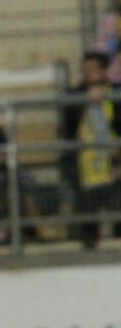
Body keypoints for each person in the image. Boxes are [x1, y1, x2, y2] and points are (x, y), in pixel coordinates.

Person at [62, 52, 121, 249]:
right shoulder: (75, 94)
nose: (90, 75)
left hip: (113, 156)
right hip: (85, 158)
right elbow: (68, 121)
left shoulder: (114, 92)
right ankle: (89, 239)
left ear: (104, 71)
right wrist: (84, 99)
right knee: (88, 202)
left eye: (95, 70)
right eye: (86, 71)